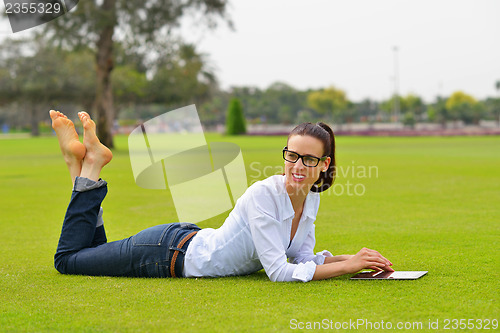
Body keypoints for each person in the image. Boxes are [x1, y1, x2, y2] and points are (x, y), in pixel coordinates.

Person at [50, 110, 394, 282]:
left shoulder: (310, 197)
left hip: (185, 240)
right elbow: (278, 271)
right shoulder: (264, 195)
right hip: (166, 253)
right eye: (292, 155)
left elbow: (301, 258)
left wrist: (354, 259)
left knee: (89, 252)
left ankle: (81, 166)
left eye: (308, 159)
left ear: (324, 164)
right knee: (69, 261)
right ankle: (87, 165)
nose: (297, 166)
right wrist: (348, 266)